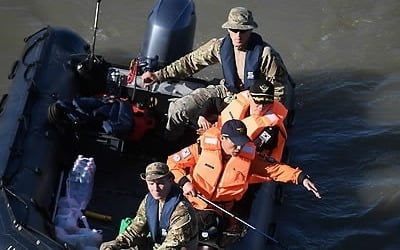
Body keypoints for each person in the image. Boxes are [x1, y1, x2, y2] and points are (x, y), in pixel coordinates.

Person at [142, 7, 295, 141]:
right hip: (227, 90)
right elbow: (189, 62)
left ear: (250, 30)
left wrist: (271, 119)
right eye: (233, 30)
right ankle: (170, 141)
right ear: (228, 29)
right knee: (178, 109)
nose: (238, 35)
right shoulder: (219, 46)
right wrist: (159, 75)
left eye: (243, 31)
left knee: (242, 133)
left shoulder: (266, 55)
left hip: (254, 99)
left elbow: (279, 91)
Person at [166, 119, 321, 214]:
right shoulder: (200, 148)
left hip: (221, 211)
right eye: (235, 144)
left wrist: (300, 178)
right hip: (191, 202)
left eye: (242, 143)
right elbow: (173, 163)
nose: (239, 148)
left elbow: (275, 170)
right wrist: (184, 183)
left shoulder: (248, 158)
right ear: (223, 138)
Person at [100, 162, 199, 250]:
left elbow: (171, 246)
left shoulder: (182, 210)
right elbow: (136, 230)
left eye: (160, 183)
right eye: (151, 184)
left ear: (170, 180)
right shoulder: (149, 200)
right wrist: (117, 244)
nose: (155, 188)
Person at [193, 78, 288, 161]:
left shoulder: (271, 128)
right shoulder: (239, 102)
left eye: (266, 103)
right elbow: (213, 102)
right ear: (250, 97)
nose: (261, 107)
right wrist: (202, 117)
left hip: (249, 160)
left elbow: (245, 149)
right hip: (223, 139)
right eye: (257, 102)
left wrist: (212, 134)